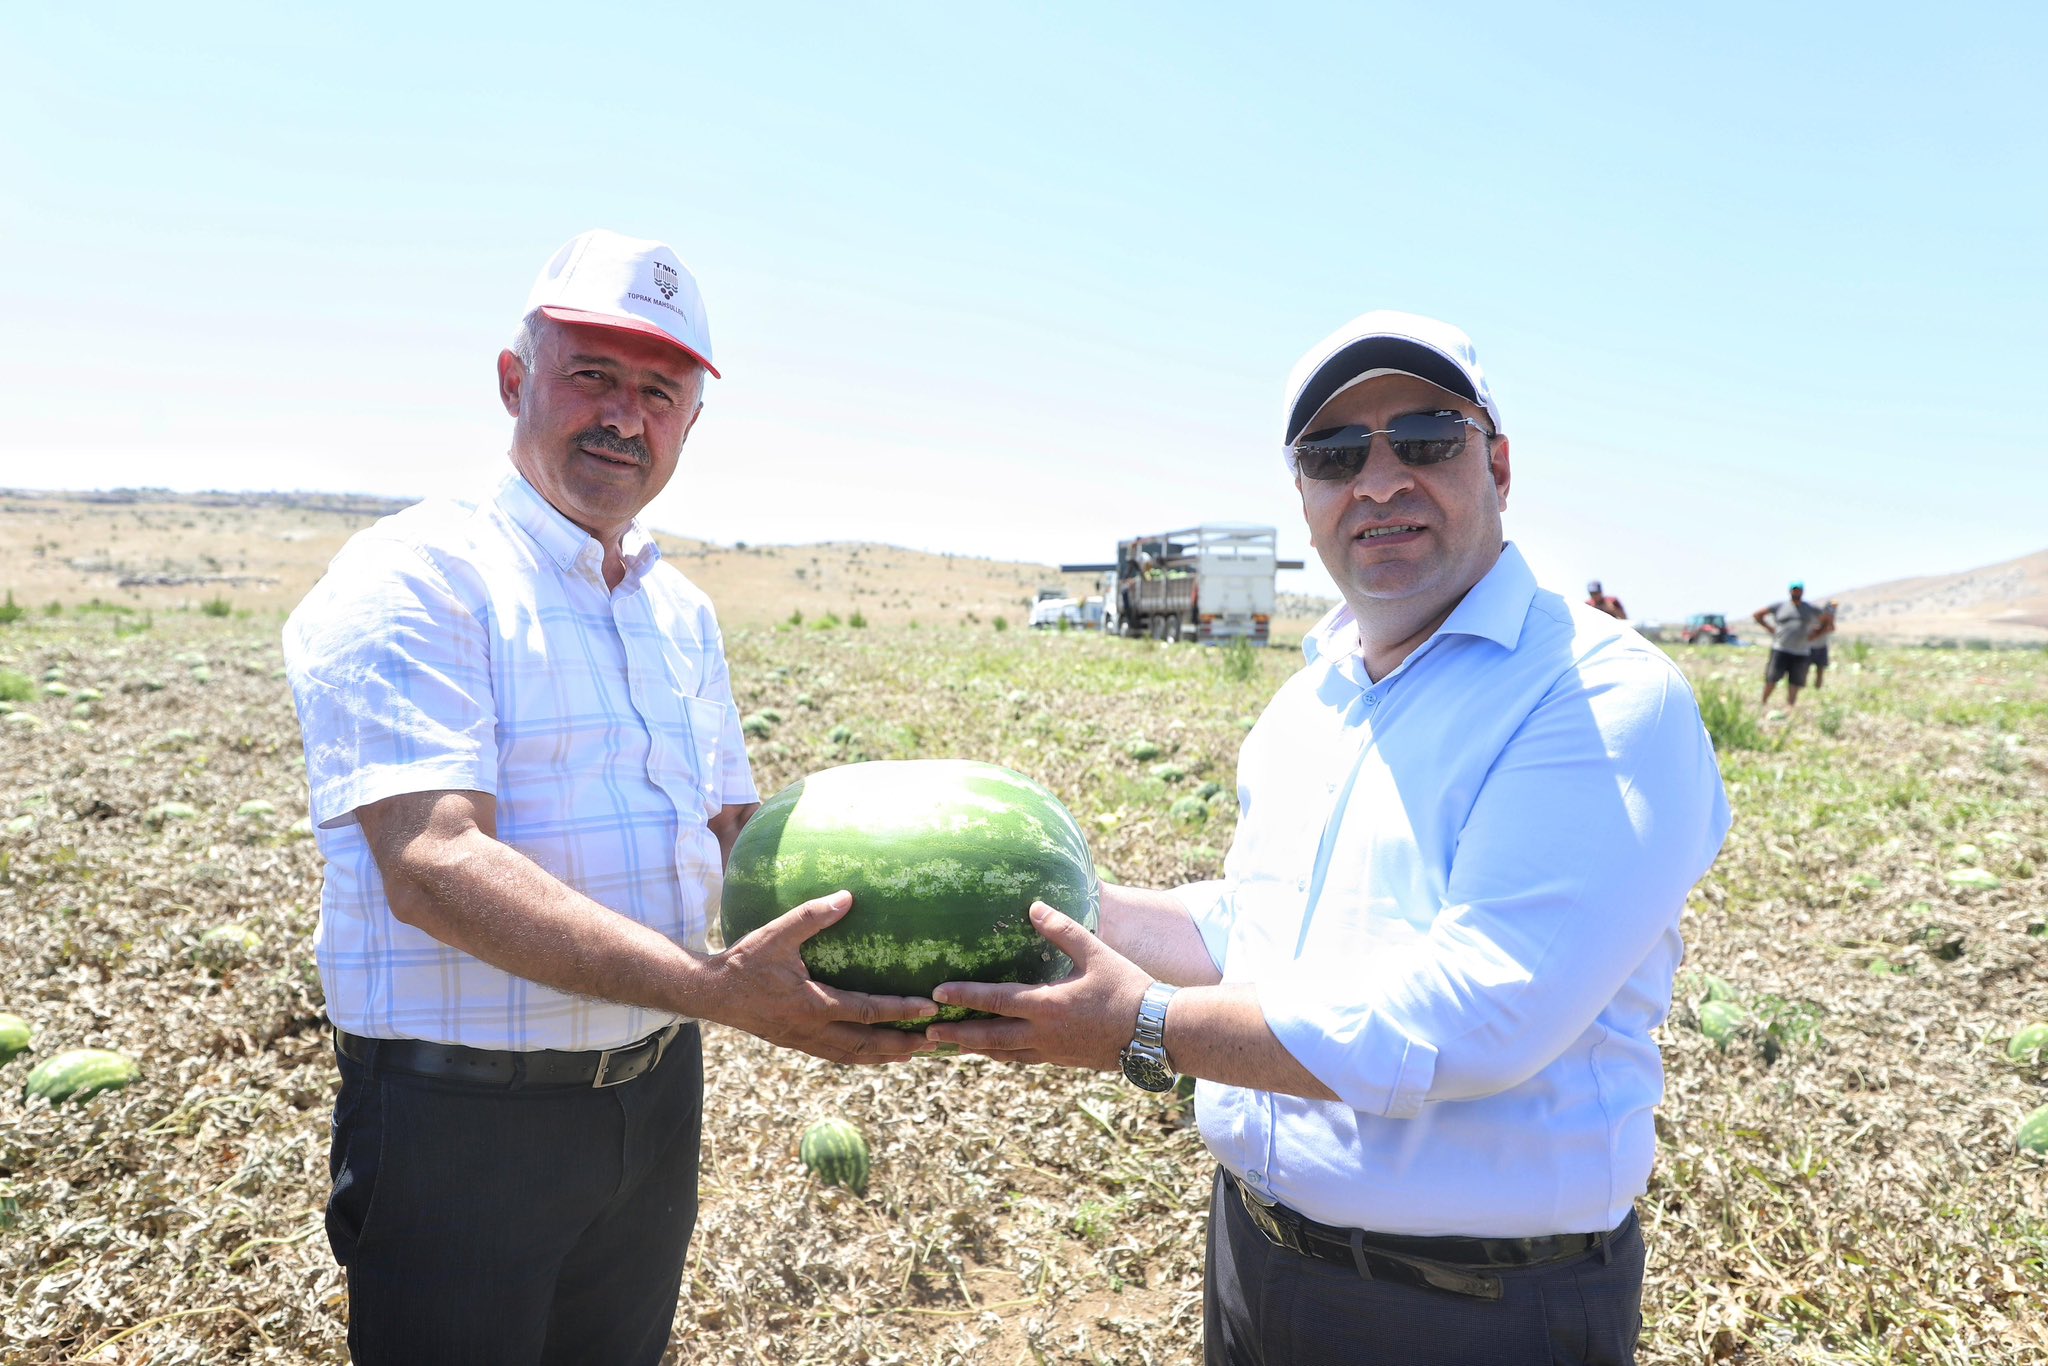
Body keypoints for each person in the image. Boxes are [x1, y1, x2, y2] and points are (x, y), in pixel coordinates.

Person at [928, 310, 1730, 1365]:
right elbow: (1251, 926)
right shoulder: (1313, 698)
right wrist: (1052, 898)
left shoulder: (1596, 693)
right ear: (1304, 493)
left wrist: (1144, 1025)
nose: (1379, 478)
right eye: (1336, 454)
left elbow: (1477, 1017)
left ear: (1495, 462)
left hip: (1468, 1312)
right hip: (1255, 1261)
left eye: (1425, 440)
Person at [282, 228, 934, 1366]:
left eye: (660, 391)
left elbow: (737, 834)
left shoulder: (677, 607)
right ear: (512, 380)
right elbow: (435, 863)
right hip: (461, 1124)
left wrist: (903, 952)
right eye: (592, 374)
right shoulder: (417, 575)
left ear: (690, 421)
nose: (624, 417)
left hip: (652, 1097)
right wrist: (716, 990)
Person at [1752, 581, 1827, 709]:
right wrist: (1770, 628)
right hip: (1781, 649)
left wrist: (1817, 634)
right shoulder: (1780, 606)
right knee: (1772, 678)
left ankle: (1790, 707)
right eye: (1794, 590)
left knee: (1795, 681)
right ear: (1790, 591)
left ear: (1802, 592)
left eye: (1798, 590)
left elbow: (1828, 621)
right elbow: (1758, 615)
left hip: (1801, 651)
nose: (1796, 592)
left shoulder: (1810, 609)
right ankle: (1763, 704)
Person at [1809, 598, 1840, 688]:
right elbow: (1812, 633)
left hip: (1822, 646)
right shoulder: (1817, 616)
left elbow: (1832, 629)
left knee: (1820, 670)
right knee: (1804, 669)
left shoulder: (1831, 617)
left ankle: (1817, 688)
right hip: (1811, 647)